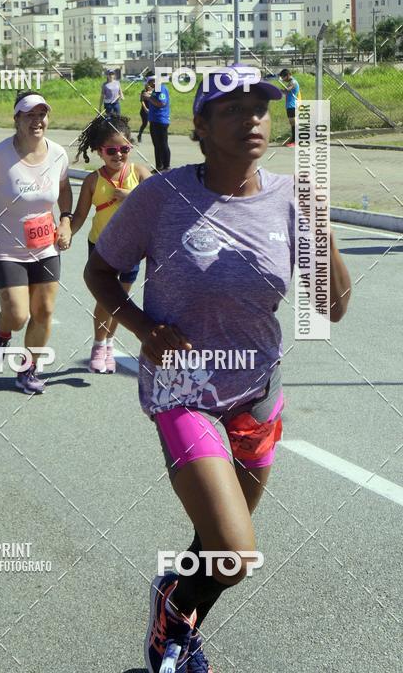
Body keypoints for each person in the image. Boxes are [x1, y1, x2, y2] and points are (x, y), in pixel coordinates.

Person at [85, 67, 351, 673]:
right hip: (185, 389)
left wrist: (319, 221)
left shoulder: (291, 196)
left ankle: (174, 621)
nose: (252, 118)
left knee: (216, 549)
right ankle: (173, 624)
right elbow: (100, 272)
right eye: (231, 109)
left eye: (260, 107)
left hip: (257, 391)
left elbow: (330, 305)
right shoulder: (161, 197)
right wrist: (143, 328)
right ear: (200, 128)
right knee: (235, 550)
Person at [0, 91, 73, 395]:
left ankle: (28, 370)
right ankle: (2, 330)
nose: (36, 121)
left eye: (41, 114)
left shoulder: (57, 154)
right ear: (16, 120)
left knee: (43, 311)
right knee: (18, 315)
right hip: (4, 247)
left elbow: (65, 188)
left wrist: (65, 220)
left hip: (45, 245)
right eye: (29, 115)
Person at [71, 115, 151, 373]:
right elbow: (80, 215)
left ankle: (109, 345)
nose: (119, 155)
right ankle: (98, 344)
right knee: (107, 300)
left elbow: (158, 203)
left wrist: (133, 196)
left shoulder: (138, 173)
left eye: (124, 149)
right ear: (99, 152)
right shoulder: (92, 181)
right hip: (101, 250)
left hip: (132, 249)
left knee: (121, 302)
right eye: (112, 150)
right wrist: (65, 234)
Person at [143, 71, 171, 171]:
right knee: (156, 145)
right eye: (149, 82)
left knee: (163, 144)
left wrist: (149, 98)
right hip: (154, 120)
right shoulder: (155, 90)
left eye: (151, 81)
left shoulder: (161, 88)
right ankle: (159, 166)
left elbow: (161, 103)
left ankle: (167, 166)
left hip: (161, 120)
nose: (150, 84)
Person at [279, 68, 300, 146]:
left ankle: (295, 141)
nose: (283, 80)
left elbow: (287, 90)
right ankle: (294, 140)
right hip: (289, 105)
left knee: (294, 123)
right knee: (292, 123)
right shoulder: (291, 82)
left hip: (292, 105)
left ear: (287, 75)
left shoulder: (293, 82)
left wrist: (278, 90)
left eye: (283, 77)